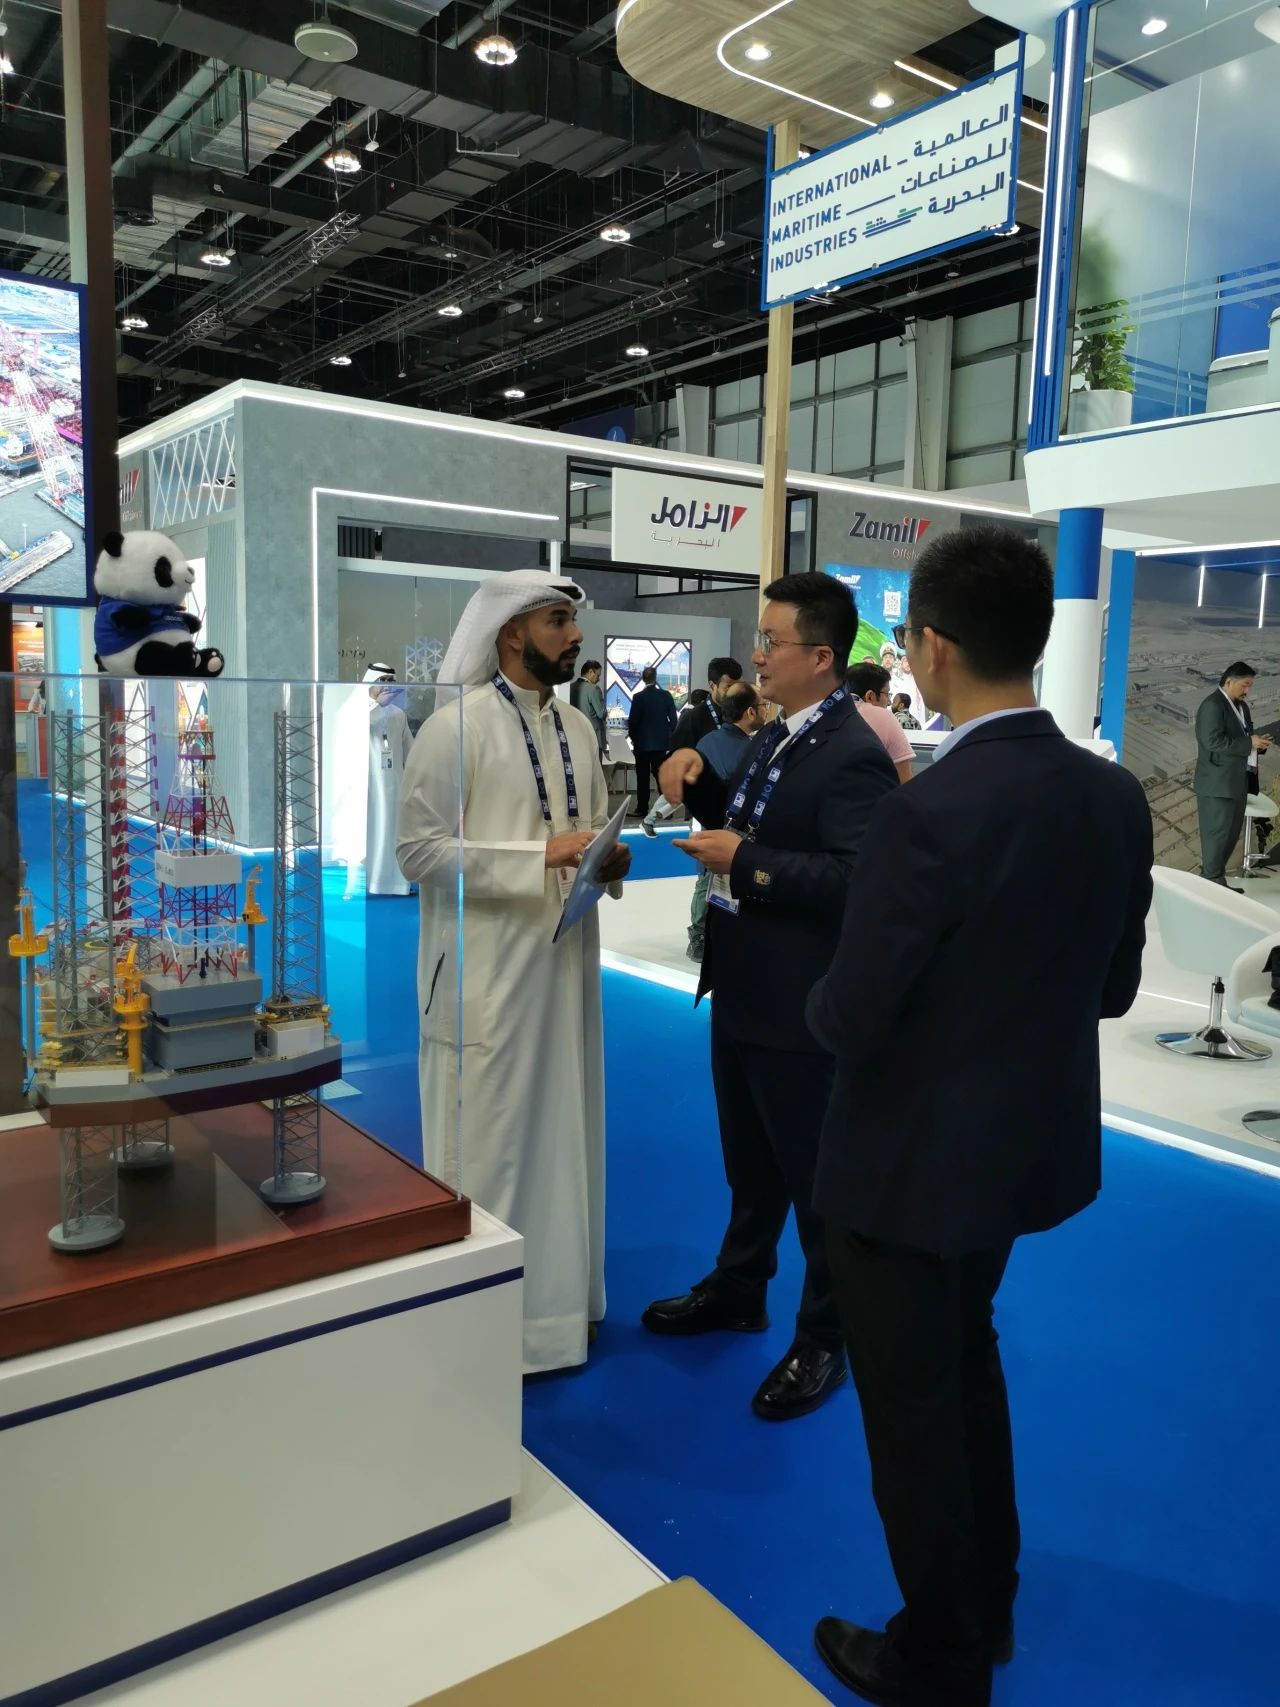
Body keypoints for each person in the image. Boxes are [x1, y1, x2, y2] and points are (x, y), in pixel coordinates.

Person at [806, 526, 1154, 1707]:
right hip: (1016, 1151)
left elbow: (851, 1014)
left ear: (933, 648)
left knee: (912, 1411)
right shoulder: (1110, 796)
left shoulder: (928, 812)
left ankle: (939, 1660)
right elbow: (1111, 989)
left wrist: (813, 997)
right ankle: (982, 1605)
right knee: (963, 1366)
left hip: (902, 1165)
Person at [642, 573, 898, 1421]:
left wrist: (745, 863)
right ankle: (740, 1284)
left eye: (771, 640)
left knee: (818, 1183)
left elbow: (859, 878)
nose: (756, 654)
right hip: (746, 988)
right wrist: (697, 784)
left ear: (821, 657)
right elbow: (753, 822)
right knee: (750, 1165)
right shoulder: (779, 735)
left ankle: (826, 1335)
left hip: (800, 1004)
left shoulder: (853, 753)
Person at [397, 570, 631, 1375]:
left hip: (563, 966)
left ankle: (556, 1314)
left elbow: (584, 830)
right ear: (511, 633)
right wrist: (541, 854)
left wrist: (604, 858)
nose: (574, 635)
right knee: (490, 1142)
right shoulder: (453, 729)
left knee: (566, 1133)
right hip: (485, 976)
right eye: (558, 620)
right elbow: (417, 852)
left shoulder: (577, 727)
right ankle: (482, 1327)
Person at [678, 684, 766, 964]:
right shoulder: (750, 751)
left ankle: (698, 936)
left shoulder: (707, 741)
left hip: (704, 825)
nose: (766, 710)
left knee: (704, 880)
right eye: (763, 706)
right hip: (733, 833)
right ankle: (704, 936)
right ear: (750, 712)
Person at [641, 657, 744, 836]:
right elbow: (677, 755)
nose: (733, 693)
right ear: (712, 686)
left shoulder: (738, 715)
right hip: (701, 797)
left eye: (737, 687)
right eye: (728, 687)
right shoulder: (693, 718)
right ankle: (649, 820)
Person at [1194, 661, 1272, 890]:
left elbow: (1243, 737)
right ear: (1229, 681)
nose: (1247, 690)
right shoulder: (1212, 705)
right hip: (1217, 785)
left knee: (1228, 837)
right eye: (1245, 685)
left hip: (1237, 783)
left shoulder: (1242, 707)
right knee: (1216, 837)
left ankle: (1213, 882)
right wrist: (1249, 743)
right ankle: (1212, 886)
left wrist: (1257, 744)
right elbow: (1212, 741)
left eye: (1250, 686)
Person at [847, 662, 915, 785]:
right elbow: (905, 781)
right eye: (887, 694)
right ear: (870, 696)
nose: (889, 702)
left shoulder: (823, 713)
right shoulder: (884, 716)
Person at [627, 665, 678, 818]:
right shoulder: (666, 695)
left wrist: (634, 739)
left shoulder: (638, 697)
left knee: (642, 778)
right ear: (656, 679)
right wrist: (667, 736)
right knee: (661, 776)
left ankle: (642, 809)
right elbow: (674, 721)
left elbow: (633, 722)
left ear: (643, 679)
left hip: (642, 745)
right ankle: (667, 811)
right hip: (661, 745)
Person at [571, 659, 609, 758]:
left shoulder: (570, 687)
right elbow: (601, 713)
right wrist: (606, 711)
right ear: (590, 672)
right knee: (596, 767)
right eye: (598, 675)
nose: (598, 679)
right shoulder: (593, 689)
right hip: (593, 737)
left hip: (574, 736)